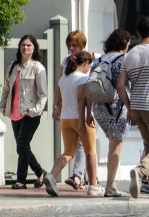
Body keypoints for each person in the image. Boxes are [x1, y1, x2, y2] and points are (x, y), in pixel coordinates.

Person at [43, 51, 101, 196]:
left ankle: (52, 175)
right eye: (89, 65)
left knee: (68, 152)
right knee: (90, 152)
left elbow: (62, 98)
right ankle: (93, 185)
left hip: (66, 119)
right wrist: (85, 118)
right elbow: (82, 100)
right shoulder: (83, 78)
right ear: (86, 63)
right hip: (79, 119)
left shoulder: (63, 79)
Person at [0, 35, 48, 189]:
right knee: (22, 147)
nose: (26, 48)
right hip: (14, 111)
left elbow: (43, 94)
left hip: (29, 113)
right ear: (20, 47)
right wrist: (3, 106)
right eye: (23, 45)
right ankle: (40, 172)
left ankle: (21, 180)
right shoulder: (13, 66)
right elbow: (6, 88)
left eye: (29, 46)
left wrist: (35, 111)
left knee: (23, 144)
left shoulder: (38, 68)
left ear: (34, 49)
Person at [87, 29, 131, 197]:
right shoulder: (124, 60)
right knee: (116, 144)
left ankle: (109, 185)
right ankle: (110, 187)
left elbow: (89, 87)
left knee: (112, 143)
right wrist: (130, 107)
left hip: (98, 108)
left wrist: (88, 112)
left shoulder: (98, 60)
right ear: (125, 43)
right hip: (117, 106)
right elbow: (122, 86)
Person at [117, 15, 149, 198]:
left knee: (148, 145)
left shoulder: (129, 55)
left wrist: (129, 107)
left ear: (138, 33)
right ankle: (139, 172)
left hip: (137, 106)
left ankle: (146, 183)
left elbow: (120, 86)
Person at [59, 30, 90, 189]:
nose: (71, 48)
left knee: (82, 147)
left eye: (74, 45)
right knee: (84, 147)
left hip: (83, 111)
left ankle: (81, 177)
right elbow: (59, 84)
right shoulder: (66, 61)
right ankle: (80, 177)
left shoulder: (90, 59)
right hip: (74, 111)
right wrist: (56, 105)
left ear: (82, 45)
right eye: (69, 45)